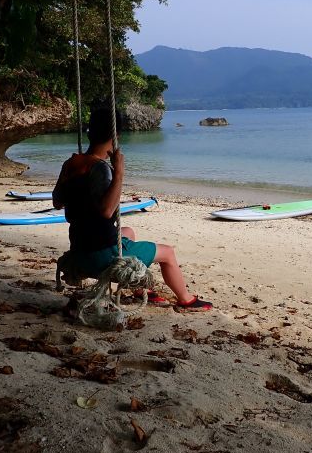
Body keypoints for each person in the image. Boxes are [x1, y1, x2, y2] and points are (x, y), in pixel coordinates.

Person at [53, 107, 212, 311]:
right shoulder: (100, 168)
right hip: (101, 258)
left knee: (128, 233)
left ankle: (137, 287)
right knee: (168, 254)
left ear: (89, 132)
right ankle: (186, 299)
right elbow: (106, 211)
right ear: (116, 136)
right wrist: (119, 172)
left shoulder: (70, 163)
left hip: (80, 251)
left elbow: (57, 202)